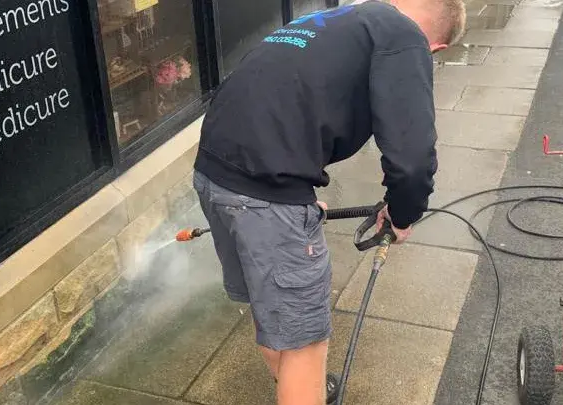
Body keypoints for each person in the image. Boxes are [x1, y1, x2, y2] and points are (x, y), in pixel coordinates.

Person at [192, 0, 466, 403]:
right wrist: (403, 214)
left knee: (276, 313)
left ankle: (306, 389)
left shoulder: (340, 20)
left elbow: (283, 99)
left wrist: (297, 203)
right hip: (265, 193)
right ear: (435, 48)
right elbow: (411, 158)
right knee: (303, 341)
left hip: (213, 175)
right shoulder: (405, 36)